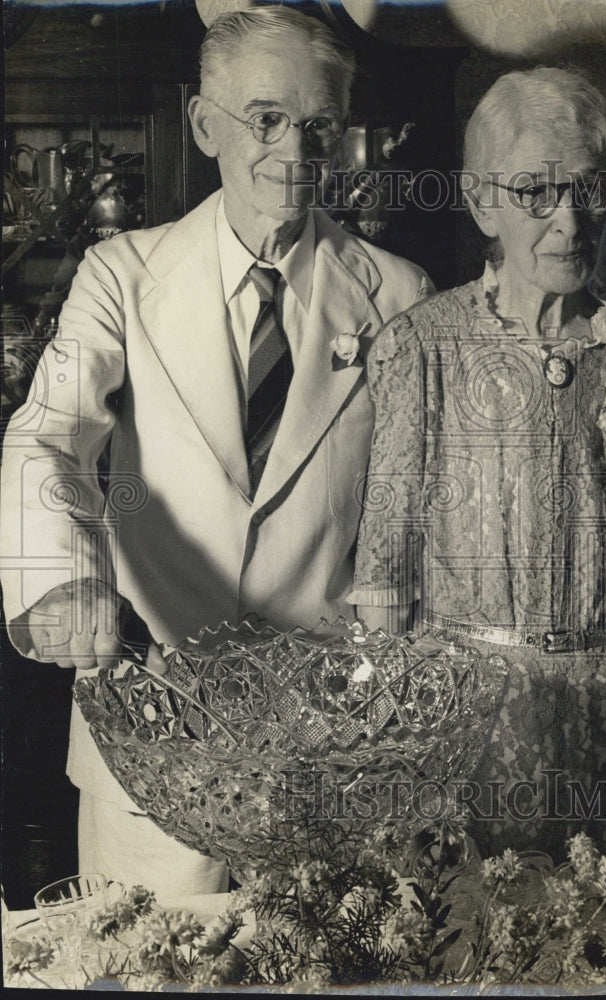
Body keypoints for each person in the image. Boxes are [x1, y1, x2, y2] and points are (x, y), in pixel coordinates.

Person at [0, 7, 432, 897]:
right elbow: (49, 432)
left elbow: (419, 509)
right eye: (266, 119)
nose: (295, 151)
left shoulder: (399, 295)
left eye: (319, 125)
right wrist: (68, 578)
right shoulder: (119, 273)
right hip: (154, 741)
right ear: (204, 125)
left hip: (330, 753)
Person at [350, 68, 606, 861]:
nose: (568, 222)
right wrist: (387, 760)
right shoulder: (420, 348)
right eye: (534, 191)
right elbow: (384, 579)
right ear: (481, 200)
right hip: (473, 717)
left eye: (590, 190)